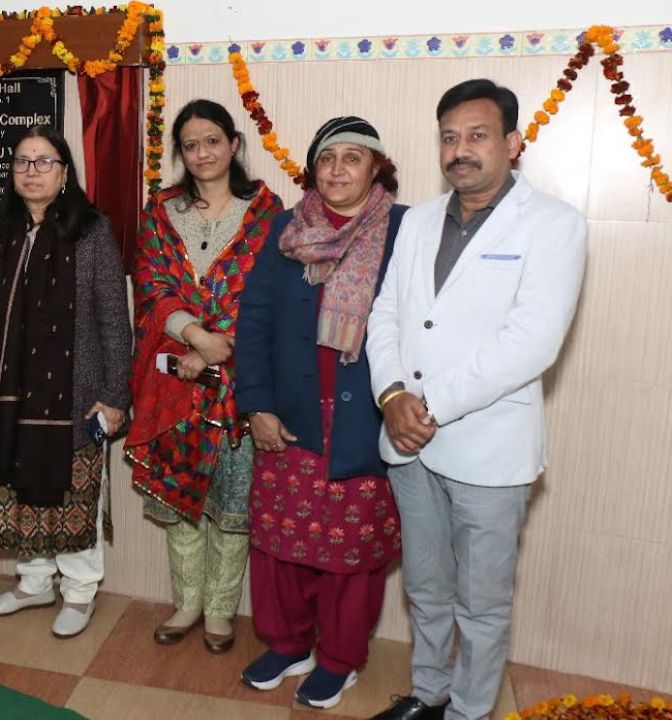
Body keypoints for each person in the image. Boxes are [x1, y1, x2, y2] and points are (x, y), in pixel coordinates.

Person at [366, 79, 587, 720]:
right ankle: (429, 692)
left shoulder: (554, 225)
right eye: (449, 137)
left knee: (482, 605)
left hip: (489, 450)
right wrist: (391, 394)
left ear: (513, 143)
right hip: (408, 443)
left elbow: (532, 343)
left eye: (477, 135)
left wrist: (426, 405)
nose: (460, 150)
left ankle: (468, 711)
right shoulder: (417, 221)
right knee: (426, 587)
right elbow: (387, 314)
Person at [235, 117, 407, 707]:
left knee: (349, 551)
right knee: (279, 542)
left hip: (365, 420)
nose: (337, 170)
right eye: (327, 158)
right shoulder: (286, 229)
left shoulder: (403, 229)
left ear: (376, 167)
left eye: (352, 158)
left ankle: (339, 658)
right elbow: (254, 320)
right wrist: (255, 403)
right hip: (289, 415)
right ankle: (288, 645)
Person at [0, 125, 131, 638]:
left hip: (77, 396)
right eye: (22, 161)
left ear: (64, 172)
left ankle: (79, 591)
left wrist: (114, 396)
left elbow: (115, 321)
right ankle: (34, 583)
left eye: (44, 161)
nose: (32, 171)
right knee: (19, 488)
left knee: (74, 492)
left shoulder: (91, 232)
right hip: (10, 394)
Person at [126, 99, 282, 653]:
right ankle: (187, 603)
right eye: (190, 145)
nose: (202, 153)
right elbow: (150, 287)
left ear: (233, 144)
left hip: (241, 381)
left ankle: (219, 610)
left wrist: (221, 349)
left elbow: (270, 297)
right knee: (180, 499)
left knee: (232, 503)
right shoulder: (161, 212)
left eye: (212, 141)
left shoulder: (267, 214)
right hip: (174, 381)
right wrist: (195, 337)